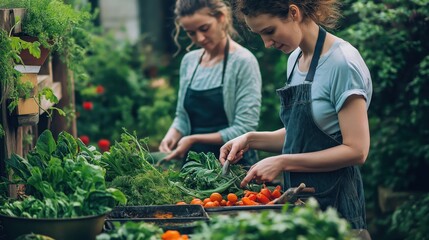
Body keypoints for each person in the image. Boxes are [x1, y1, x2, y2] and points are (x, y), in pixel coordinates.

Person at [219, 0, 372, 235]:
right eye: (260, 35)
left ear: (293, 12)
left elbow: (357, 150)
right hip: (300, 202)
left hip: (336, 204)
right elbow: (304, 132)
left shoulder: (342, 63)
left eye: (269, 32)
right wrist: (250, 139)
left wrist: (282, 162)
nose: (267, 44)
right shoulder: (295, 59)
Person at [159, 0, 262, 167]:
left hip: (233, 166)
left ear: (221, 18)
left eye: (204, 28)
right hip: (194, 166)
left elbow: (244, 128)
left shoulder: (243, 62)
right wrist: (172, 135)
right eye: (191, 33)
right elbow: (183, 117)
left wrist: (193, 139)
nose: (199, 38)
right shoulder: (189, 61)